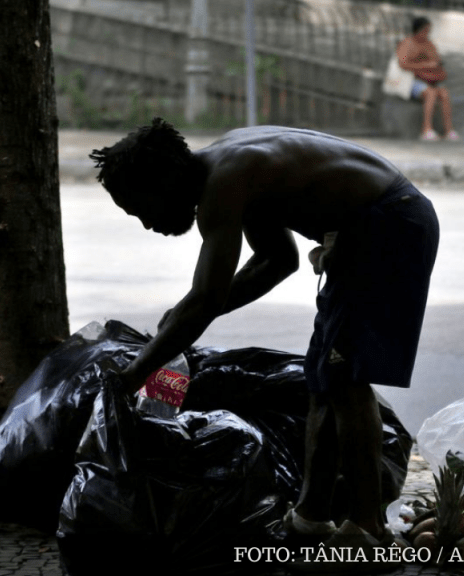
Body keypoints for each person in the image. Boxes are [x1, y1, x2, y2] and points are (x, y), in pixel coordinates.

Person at [89, 119, 439, 552]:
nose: (146, 224)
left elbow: (205, 298)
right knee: (322, 379)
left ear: (165, 181)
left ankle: (367, 531)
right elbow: (275, 261)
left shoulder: (226, 180)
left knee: (345, 379)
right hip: (366, 229)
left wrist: (134, 374)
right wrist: (181, 318)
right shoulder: (232, 167)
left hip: (390, 223)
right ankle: (312, 517)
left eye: (141, 208)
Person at [395, 17, 458, 141]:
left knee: (444, 93)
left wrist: (435, 68)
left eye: (428, 31)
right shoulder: (407, 43)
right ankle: (426, 129)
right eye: (425, 31)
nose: (427, 34)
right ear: (417, 30)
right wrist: (424, 66)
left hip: (429, 80)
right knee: (431, 93)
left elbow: (437, 62)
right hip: (410, 81)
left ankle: (448, 130)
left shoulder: (429, 45)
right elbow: (402, 64)